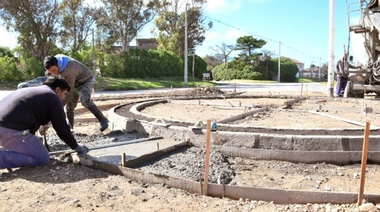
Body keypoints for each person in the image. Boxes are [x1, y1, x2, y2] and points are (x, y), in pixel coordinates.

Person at [0, 75, 88, 169]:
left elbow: (24, 116)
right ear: (57, 89)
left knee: (35, 146)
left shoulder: (35, 91)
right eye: (64, 94)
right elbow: (62, 129)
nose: (63, 98)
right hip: (7, 129)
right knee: (42, 158)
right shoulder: (52, 97)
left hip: (6, 126)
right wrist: (76, 147)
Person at [44, 54, 108, 131]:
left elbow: (68, 91)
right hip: (73, 83)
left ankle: (103, 119)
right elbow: (51, 77)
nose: (53, 73)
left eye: (54, 70)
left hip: (85, 81)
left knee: (85, 100)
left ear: (57, 65)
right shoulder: (54, 62)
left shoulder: (68, 70)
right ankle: (70, 130)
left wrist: (58, 104)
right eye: (50, 71)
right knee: (69, 107)